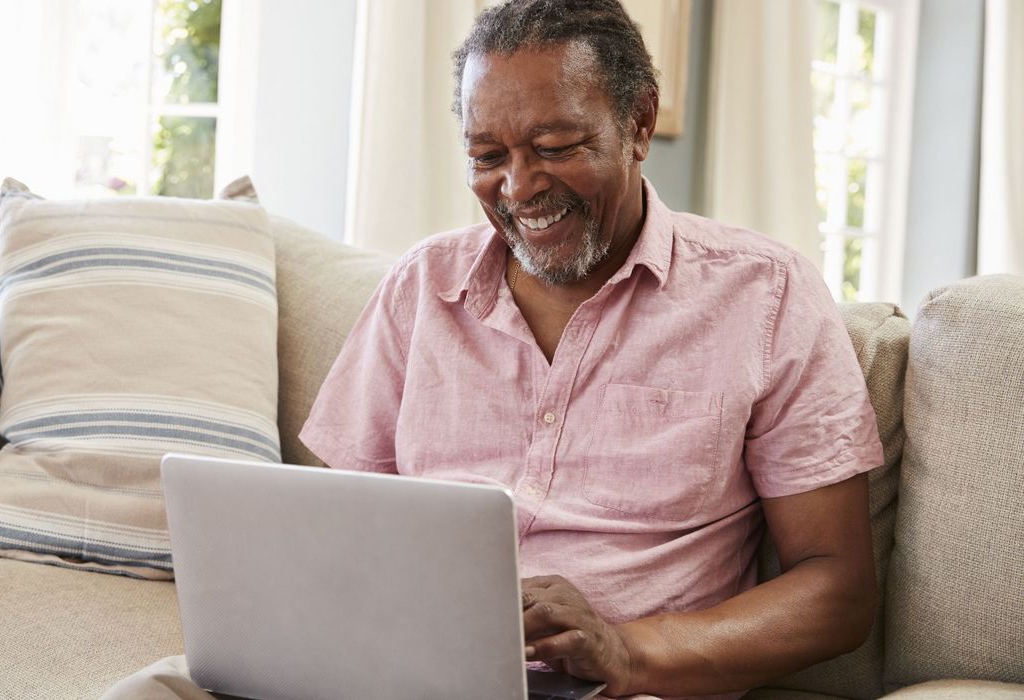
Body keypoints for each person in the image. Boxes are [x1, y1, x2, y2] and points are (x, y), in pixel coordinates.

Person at [103, 1, 882, 698]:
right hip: (395, 671)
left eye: (556, 144)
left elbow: (837, 590)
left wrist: (629, 650)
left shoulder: (765, 296)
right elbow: (336, 533)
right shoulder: (422, 289)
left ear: (639, 123)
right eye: (487, 157)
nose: (519, 187)